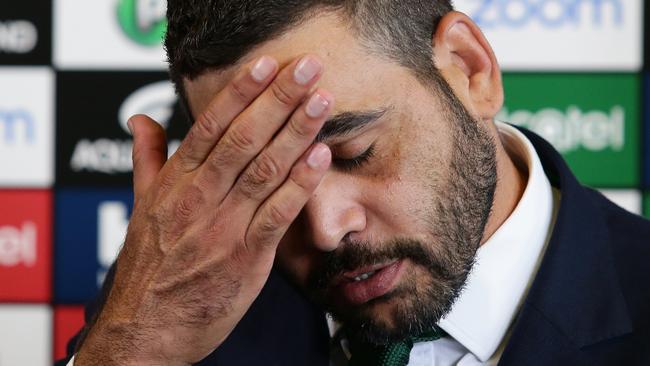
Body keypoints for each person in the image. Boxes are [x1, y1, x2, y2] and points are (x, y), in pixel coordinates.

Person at [58, 1, 650, 365]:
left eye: (354, 153)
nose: (324, 228)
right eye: (265, 180)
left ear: (470, 70)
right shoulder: (168, 305)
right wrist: (130, 352)